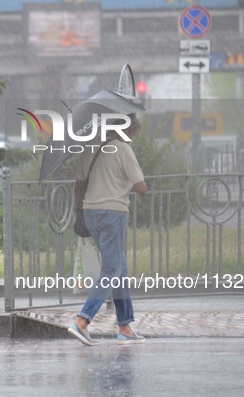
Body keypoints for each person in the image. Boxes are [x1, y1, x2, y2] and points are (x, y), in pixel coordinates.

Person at [68, 113, 147, 346]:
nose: (131, 139)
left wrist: (78, 208)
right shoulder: (123, 150)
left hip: (91, 214)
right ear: (125, 130)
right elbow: (141, 187)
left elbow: (79, 184)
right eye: (131, 134)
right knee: (112, 269)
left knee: (119, 266)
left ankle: (125, 327)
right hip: (113, 213)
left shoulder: (90, 147)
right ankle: (82, 321)